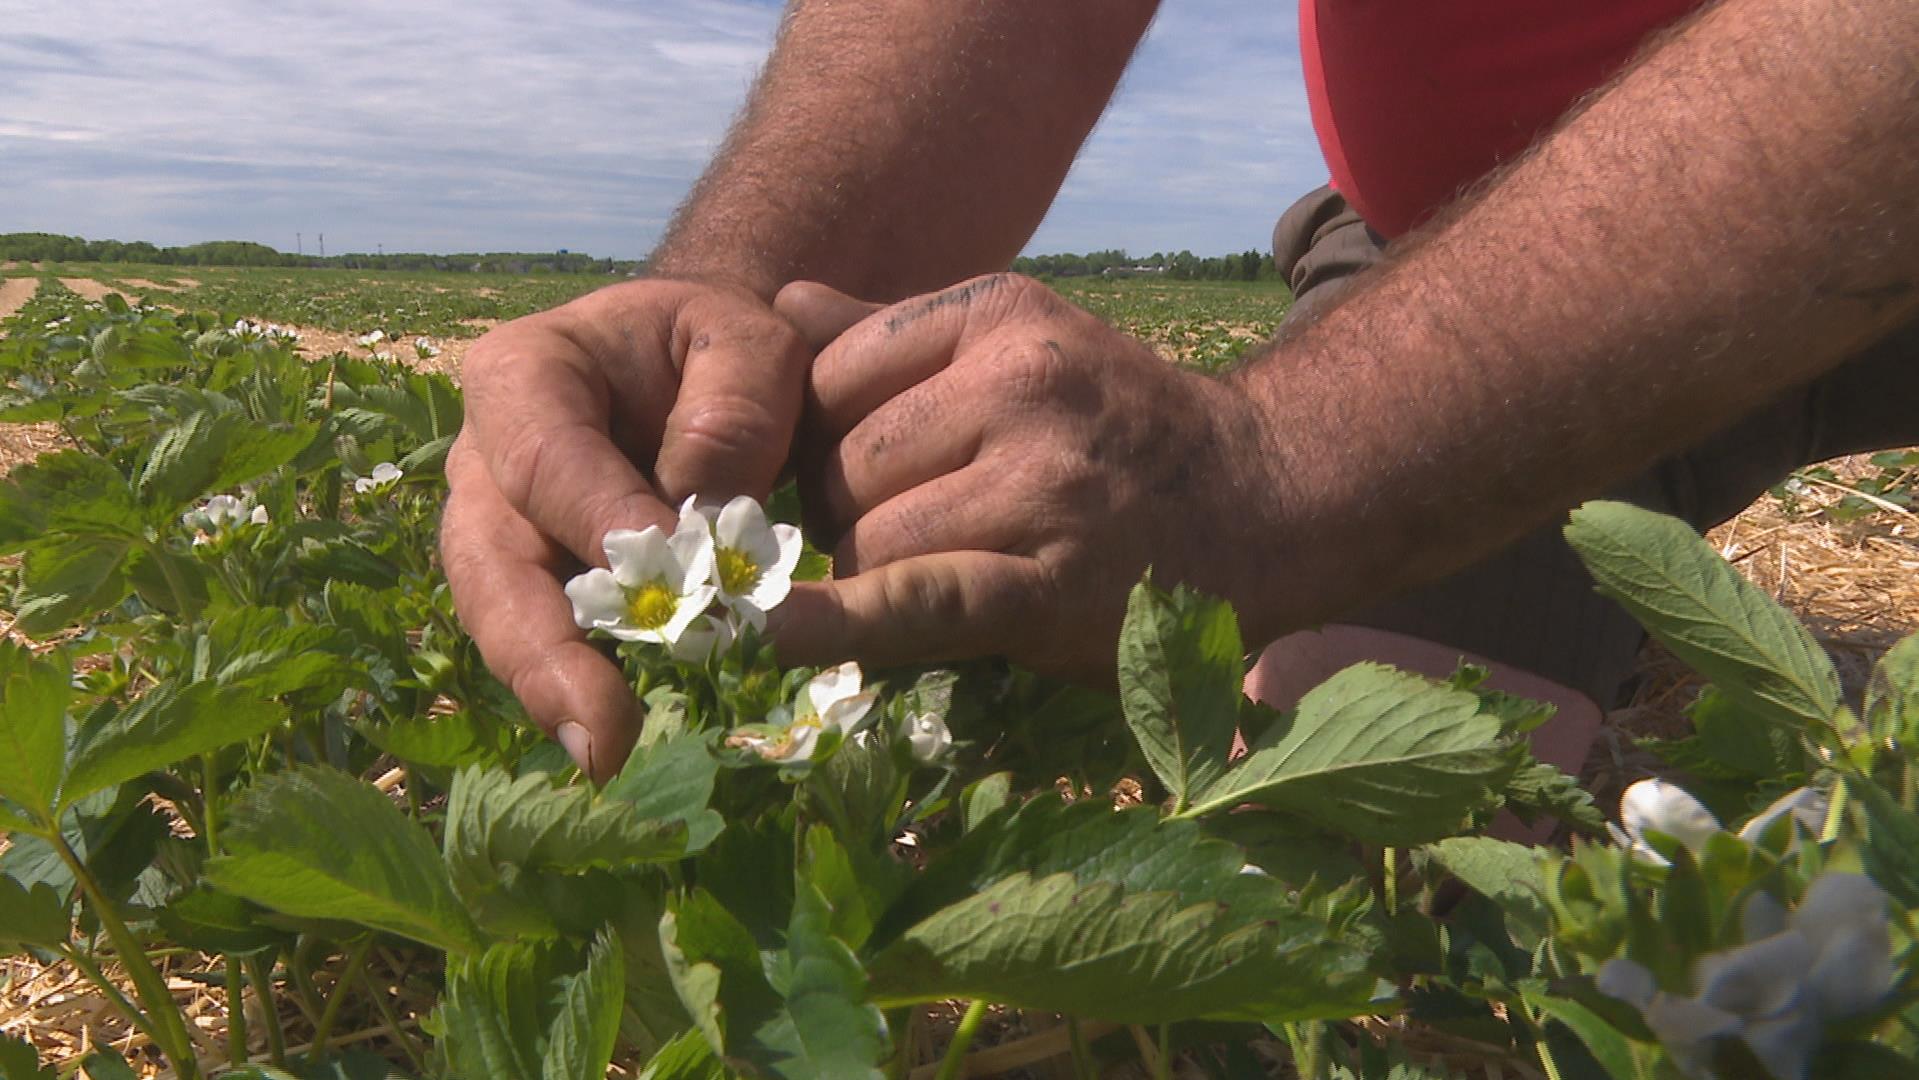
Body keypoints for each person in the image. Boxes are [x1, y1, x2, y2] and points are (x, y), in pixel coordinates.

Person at [441, 0, 1919, 782]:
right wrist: (727, 314)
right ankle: (1754, 663)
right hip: (1492, 254)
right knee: (1336, 789)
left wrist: (1294, 463)